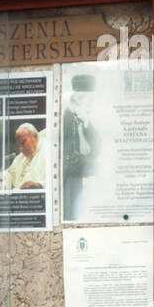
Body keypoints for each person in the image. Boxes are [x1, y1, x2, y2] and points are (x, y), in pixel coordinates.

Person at [62, 71, 100, 221]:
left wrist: (87, 123)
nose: (91, 104)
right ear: (77, 98)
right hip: (70, 179)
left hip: (84, 176)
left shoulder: (86, 120)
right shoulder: (65, 118)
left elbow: (98, 148)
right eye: (88, 100)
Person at [0, 123, 46, 190]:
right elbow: (9, 173)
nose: (20, 149)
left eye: (23, 143)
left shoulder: (47, 152)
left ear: (35, 136)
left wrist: (38, 185)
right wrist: (6, 181)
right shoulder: (21, 157)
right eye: (19, 146)